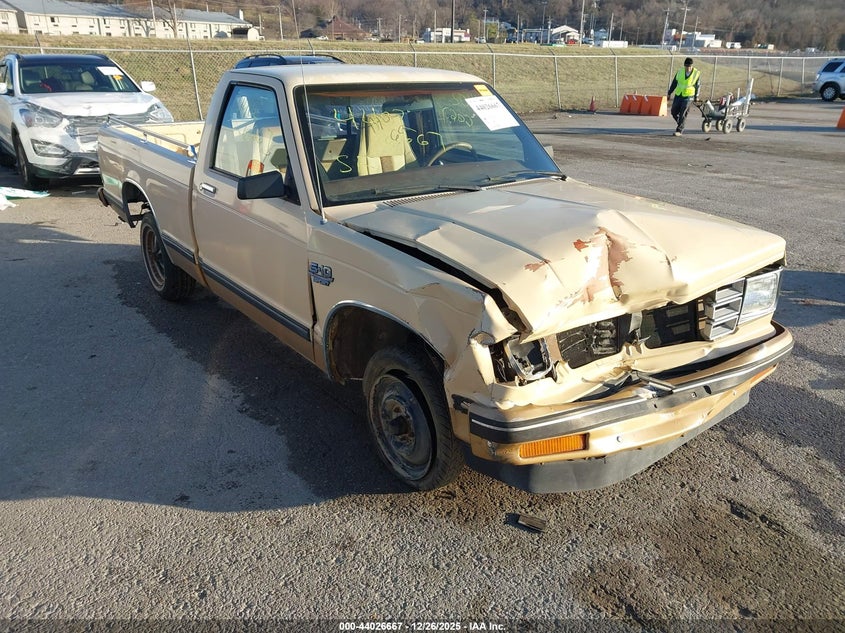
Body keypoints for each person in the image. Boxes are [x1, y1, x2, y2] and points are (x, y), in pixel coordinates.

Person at [667, 57, 701, 136]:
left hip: (689, 95)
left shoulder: (696, 73)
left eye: (688, 67)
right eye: (686, 66)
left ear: (691, 66)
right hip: (679, 94)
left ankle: (679, 130)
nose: (687, 68)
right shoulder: (680, 72)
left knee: (683, 112)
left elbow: (698, 85)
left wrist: (696, 96)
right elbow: (674, 83)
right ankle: (681, 123)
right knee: (673, 111)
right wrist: (669, 93)